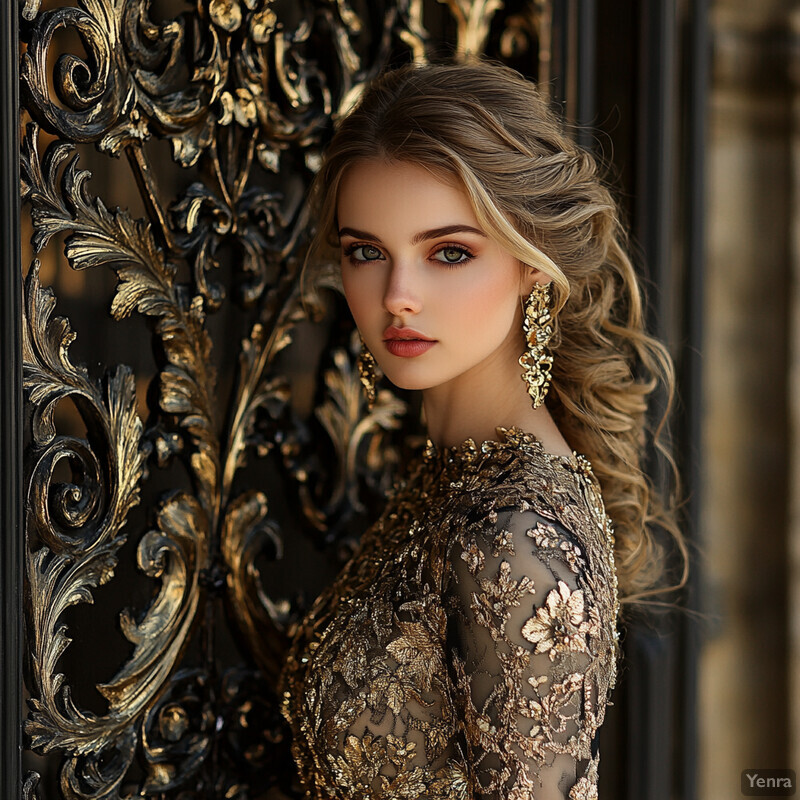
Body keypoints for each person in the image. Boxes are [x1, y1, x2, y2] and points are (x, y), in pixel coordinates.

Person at [277, 59, 687, 800]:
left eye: (450, 253)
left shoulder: (518, 533)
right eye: (367, 251)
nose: (398, 297)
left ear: (533, 265)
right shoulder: (460, 470)